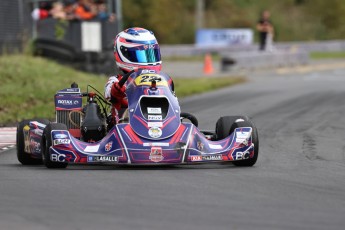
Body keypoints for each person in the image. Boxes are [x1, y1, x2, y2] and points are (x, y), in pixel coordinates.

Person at [104, 27, 173, 127]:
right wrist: (117, 90)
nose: (148, 61)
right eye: (141, 55)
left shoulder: (162, 80)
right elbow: (108, 93)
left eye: (151, 55)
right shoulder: (116, 80)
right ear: (124, 53)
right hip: (125, 127)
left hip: (160, 124)